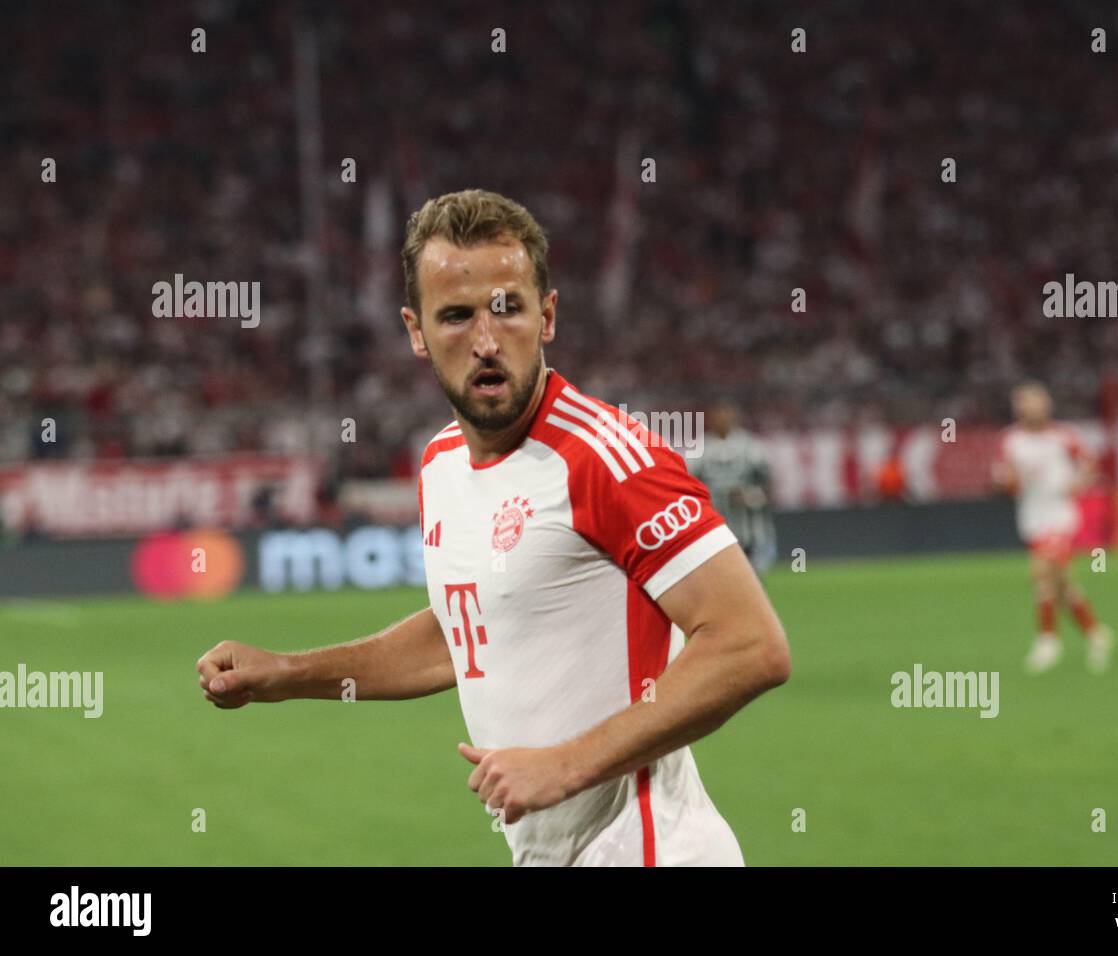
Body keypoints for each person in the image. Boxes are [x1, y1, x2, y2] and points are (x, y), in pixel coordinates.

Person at [196, 189, 791, 866]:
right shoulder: (440, 466)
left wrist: (568, 765)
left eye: (507, 308)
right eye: (455, 316)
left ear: (549, 316)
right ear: (415, 330)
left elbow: (750, 645)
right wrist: (286, 672)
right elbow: (469, 631)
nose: (485, 340)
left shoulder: (606, 458)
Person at [992, 381, 1114, 674]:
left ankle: (1048, 642)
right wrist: (1009, 481)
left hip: (1060, 516)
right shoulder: (1010, 441)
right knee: (1062, 585)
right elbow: (1003, 479)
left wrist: (1077, 484)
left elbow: (1090, 463)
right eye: (1024, 402)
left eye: (1035, 401)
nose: (1030, 407)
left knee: (1041, 573)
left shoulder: (1063, 436)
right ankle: (1096, 634)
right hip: (1032, 517)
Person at [688, 401, 777, 574]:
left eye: (726, 413)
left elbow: (768, 484)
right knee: (719, 576)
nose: (722, 418)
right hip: (714, 526)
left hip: (749, 527)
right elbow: (688, 485)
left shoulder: (750, 446)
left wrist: (751, 496)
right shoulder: (699, 448)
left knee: (751, 575)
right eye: (718, 414)